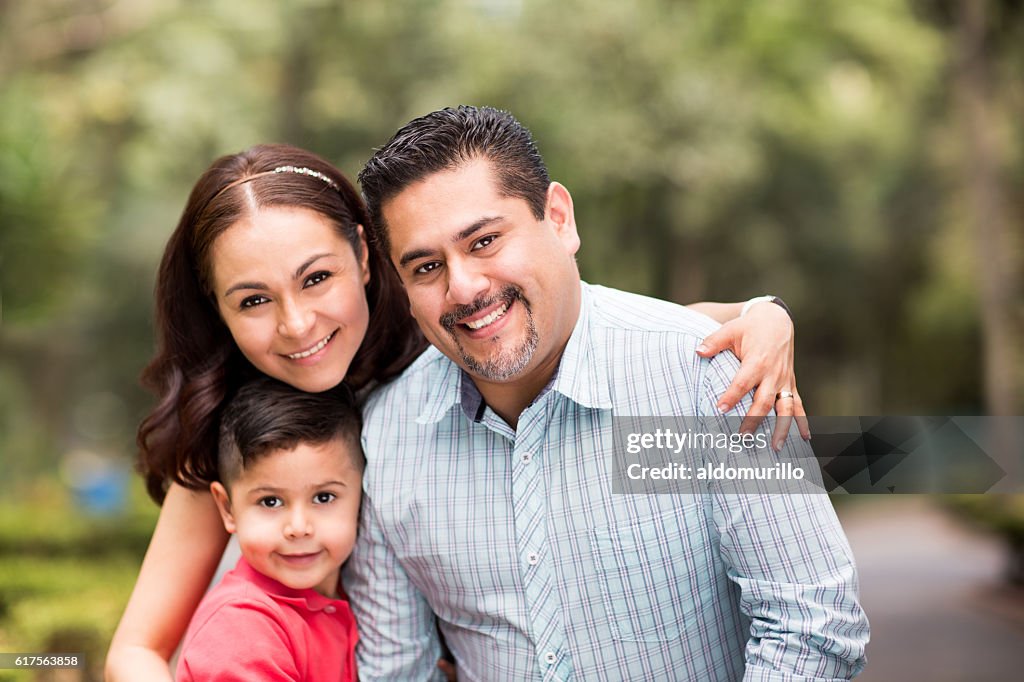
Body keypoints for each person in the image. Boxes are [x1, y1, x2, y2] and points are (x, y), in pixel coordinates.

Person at [105, 140, 804, 681]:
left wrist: (760, 314)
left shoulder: (444, 344)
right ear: (219, 312)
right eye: (253, 300)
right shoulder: (236, 436)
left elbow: (603, 334)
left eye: (317, 278)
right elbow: (136, 647)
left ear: (366, 253)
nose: (296, 324)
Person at [345, 105, 869, 680]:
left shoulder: (708, 378)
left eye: (486, 240)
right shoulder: (389, 433)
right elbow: (398, 669)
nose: (463, 287)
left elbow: (812, 622)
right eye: (425, 267)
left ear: (559, 218)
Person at [176, 376, 362, 681]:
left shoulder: (362, 591)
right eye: (271, 502)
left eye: (323, 497)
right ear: (227, 508)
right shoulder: (240, 628)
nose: (298, 528)